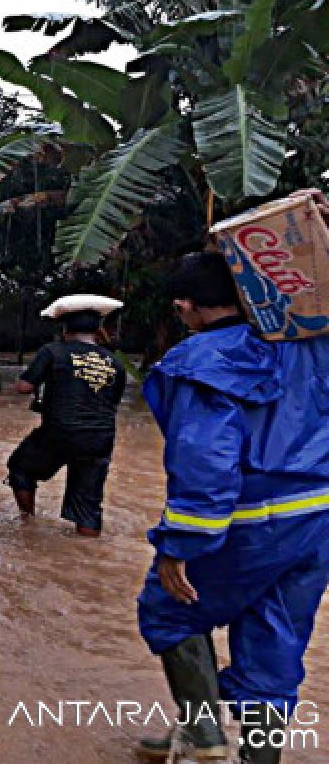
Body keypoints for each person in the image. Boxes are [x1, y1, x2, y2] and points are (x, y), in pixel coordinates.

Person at [135, 252, 329, 764]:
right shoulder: (308, 346)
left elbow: (205, 461)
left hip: (250, 521)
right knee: (275, 645)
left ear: (186, 305)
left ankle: (205, 738)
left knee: (168, 611)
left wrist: (179, 546)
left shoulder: (200, 360)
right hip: (317, 522)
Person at [7, 298, 126, 537]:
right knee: (88, 506)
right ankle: (87, 554)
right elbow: (113, 401)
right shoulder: (115, 362)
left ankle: (27, 523)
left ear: (65, 328)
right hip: (100, 437)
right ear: (96, 330)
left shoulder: (52, 351)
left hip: (60, 431)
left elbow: (25, 387)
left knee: (20, 468)